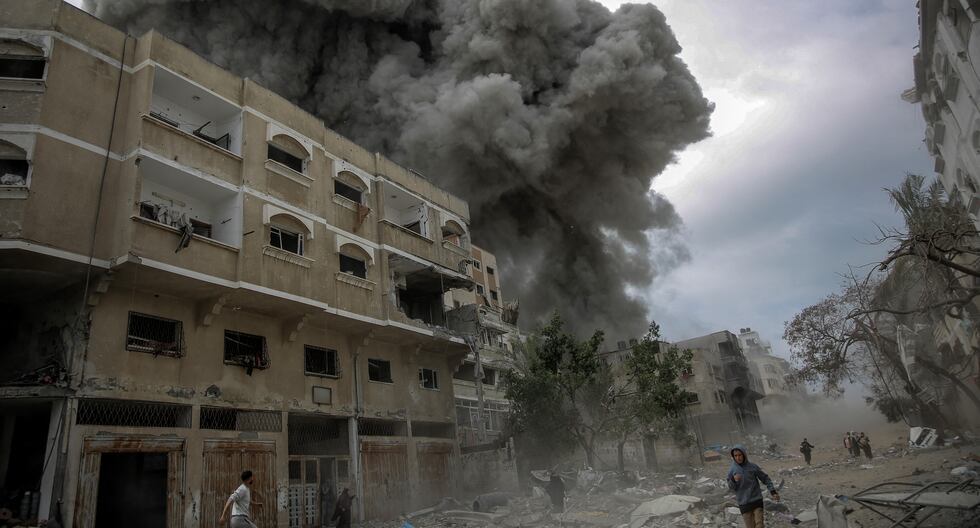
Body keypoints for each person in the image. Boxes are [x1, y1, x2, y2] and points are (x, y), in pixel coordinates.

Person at [727, 445, 779, 528]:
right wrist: (733, 480)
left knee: (759, 525)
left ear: (744, 455)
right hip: (744, 504)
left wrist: (773, 491)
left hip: (756, 500)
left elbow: (765, 478)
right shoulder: (732, 470)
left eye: (740, 455)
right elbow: (731, 487)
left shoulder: (752, 467)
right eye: (735, 456)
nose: (738, 457)